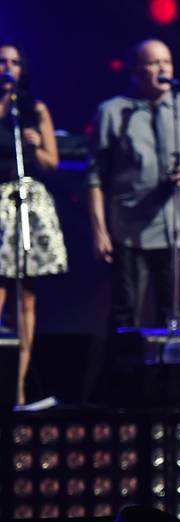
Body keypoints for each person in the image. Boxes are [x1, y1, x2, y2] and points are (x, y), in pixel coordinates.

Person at [87, 39, 180, 329]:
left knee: (174, 316)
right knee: (126, 316)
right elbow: (95, 177)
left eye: (167, 62)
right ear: (135, 71)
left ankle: (168, 374)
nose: (163, 69)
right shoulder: (113, 112)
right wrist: (100, 231)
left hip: (178, 228)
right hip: (131, 231)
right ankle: (125, 373)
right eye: (154, 62)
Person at [0, 42, 67, 405]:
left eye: (14, 62)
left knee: (26, 296)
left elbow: (52, 163)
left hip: (25, 206)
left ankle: (20, 387)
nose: (7, 68)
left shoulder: (32, 110)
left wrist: (38, 144)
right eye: (1, 61)